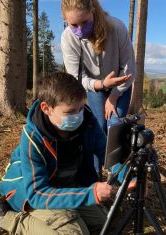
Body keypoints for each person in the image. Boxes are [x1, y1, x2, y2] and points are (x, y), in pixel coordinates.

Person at [0, 72, 130, 235]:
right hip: (31, 191)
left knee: (104, 223)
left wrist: (127, 177)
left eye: (80, 108)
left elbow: (106, 153)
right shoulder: (32, 137)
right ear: (46, 108)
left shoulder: (88, 122)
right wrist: (90, 193)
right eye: (70, 112)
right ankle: (3, 217)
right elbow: (37, 193)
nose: (78, 115)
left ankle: (66, 216)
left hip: (65, 186)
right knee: (75, 233)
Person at [61, 0, 136, 135]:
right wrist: (101, 84)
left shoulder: (116, 27)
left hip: (121, 86)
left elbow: (128, 68)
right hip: (93, 87)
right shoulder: (68, 37)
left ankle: (115, 156)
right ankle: (99, 156)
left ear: (93, 11)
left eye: (84, 22)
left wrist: (113, 97)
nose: (80, 29)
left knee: (114, 125)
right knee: (98, 128)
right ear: (66, 20)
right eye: (73, 25)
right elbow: (76, 77)